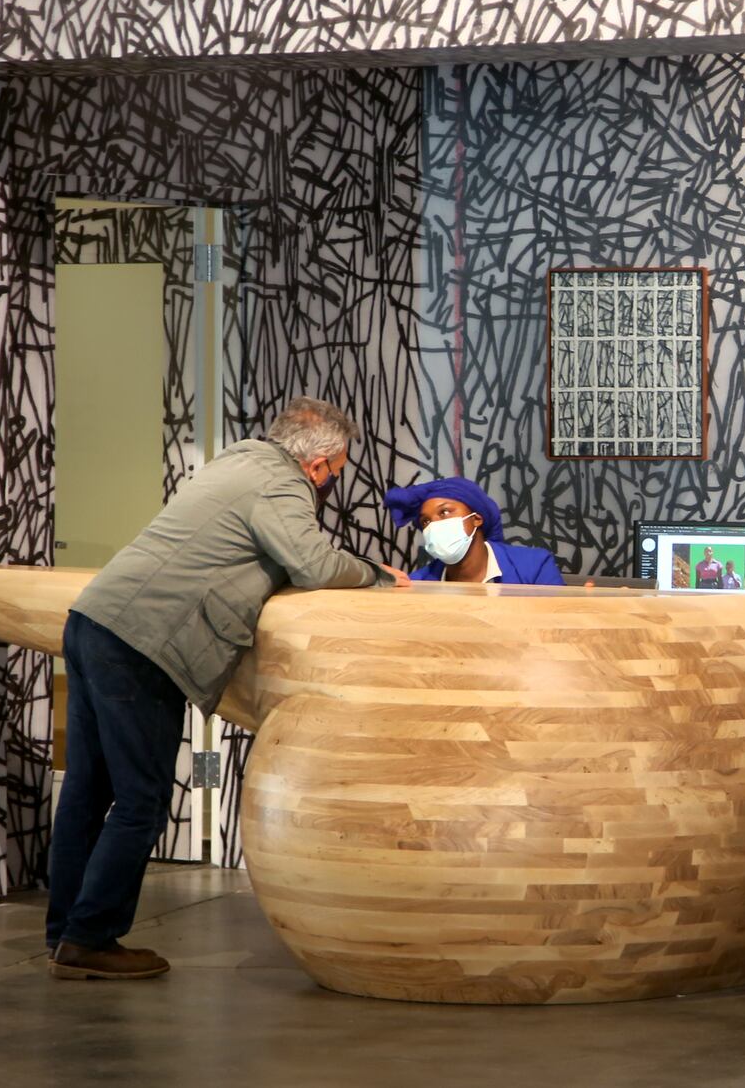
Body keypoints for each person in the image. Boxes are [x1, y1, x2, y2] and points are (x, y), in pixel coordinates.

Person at [47, 397, 410, 980]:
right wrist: (375, 575)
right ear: (318, 465)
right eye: (335, 474)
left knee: (89, 791)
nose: (330, 485)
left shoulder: (235, 462)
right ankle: (91, 937)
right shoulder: (280, 485)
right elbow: (315, 565)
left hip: (94, 621)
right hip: (144, 643)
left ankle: (64, 932)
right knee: (139, 801)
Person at [383, 477, 564, 585]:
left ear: (476, 519)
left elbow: (560, 625)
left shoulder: (535, 566)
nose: (433, 526)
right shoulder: (419, 583)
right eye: (426, 521)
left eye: (444, 512)